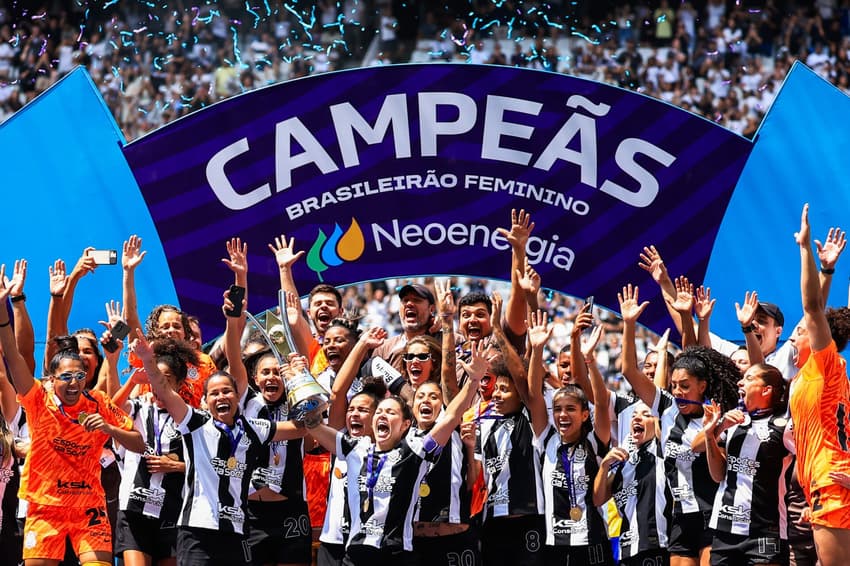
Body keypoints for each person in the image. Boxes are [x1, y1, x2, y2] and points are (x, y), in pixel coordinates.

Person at [0, 264, 145, 566]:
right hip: (44, 506)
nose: (74, 382)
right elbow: (14, 357)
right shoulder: (38, 400)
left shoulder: (98, 402)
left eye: (79, 376)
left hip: (88, 506)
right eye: (65, 376)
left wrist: (110, 428)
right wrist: (6, 308)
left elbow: (138, 443)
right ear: (51, 379)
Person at [130, 327, 309, 566]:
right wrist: (147, 359)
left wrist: (301, 378)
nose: (221, 397)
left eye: (227, 391)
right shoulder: (194, 422)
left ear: (238, 397)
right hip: (197, 530)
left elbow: (304, 426)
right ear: (205, 401)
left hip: (236, 531)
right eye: (214, 393)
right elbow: (163, 388)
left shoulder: (254, 427)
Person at [302, 342, 486, 566]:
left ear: (406, 424)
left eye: (390, 412)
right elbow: (313, 426)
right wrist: (300, 384)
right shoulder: (354, 448)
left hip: (396, 554)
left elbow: (450, 418)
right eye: (379, 411)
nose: (382, 415)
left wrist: (474, 381)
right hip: (355, 556)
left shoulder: (414, 451)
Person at [617, 283, 740, 566]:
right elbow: (628, 371)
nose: (679, 392)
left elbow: (697, 445)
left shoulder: (716, 411)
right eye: (674, 386)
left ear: (703, 386)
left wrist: (690, 318)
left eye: (685, 386)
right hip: (680, 517)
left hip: (713, 513)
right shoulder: (666, 406)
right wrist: (628, 324)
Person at [788, 204, 850, 566]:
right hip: (822, 484)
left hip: (833, 480)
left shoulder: (824, 364)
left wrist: (805, 248)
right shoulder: (811, 376)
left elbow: (813, 308)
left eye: (797, 334)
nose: (794, 338)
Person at [528, 309, 615, 566]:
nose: (562, 415)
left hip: (592, 539)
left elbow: (600, 402)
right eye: (557, 410)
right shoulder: (547, 438)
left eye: (570, 409)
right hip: (555, 544)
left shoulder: (595, 439)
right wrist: (536, 350)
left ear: (584, 415)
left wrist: (587, 359)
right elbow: (534, 396)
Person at [111, 338, 194, 566]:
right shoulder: (140, 407)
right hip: (134, 509)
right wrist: (131, 382)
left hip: (172, 510)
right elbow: (112, 410)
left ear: (179, 384)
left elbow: (207, 464)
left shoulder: (190, 418)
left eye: (165, 381)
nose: (158, 386)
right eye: (154, 379)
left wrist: (176, 466)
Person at [703, 363, 792, 566]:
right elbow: (718, 475)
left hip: (765, 530)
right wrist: (711, 433)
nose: (740, 381)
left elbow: (809, 458)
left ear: (766, 390)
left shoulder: (784, 426)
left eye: (749, 378)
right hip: (724, 530)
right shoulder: (732, 422)